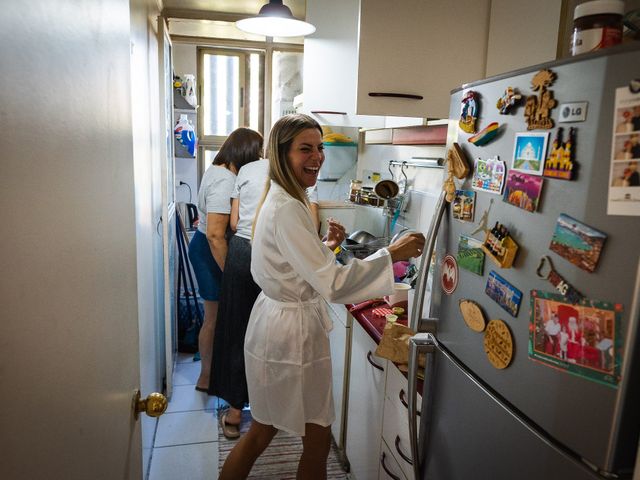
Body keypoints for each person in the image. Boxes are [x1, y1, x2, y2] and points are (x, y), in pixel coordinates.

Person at [219, 114, 425, 480]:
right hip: (290, 335)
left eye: (320, 148)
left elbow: (297, 266)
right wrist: (392, 254)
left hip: (276, 324)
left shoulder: (286, 199)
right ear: (283, 155)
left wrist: (325, 246)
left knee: (266, 431)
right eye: (305, 149)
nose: (317, 156)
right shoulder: (286, 208)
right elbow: (332, 284)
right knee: (311, 435)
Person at [188, 127, 263, 392]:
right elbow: (215, 235)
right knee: (214, 317)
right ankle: (207, 376)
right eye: (257, 153)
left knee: (215, 316)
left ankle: (209, 375)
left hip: (205, 247)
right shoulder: (225, 180)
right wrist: (232, 273)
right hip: (210, 252)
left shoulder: (217, 170)